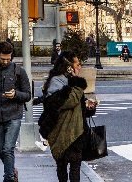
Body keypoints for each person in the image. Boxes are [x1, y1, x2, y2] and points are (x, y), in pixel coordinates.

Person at [41, 51, 95, 182]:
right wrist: (77, 83)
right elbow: (66, 102)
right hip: (61, 131)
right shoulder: (57, 81)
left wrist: (89, 107)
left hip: (76, 131)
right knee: (62, 166)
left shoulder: (72, 81)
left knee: (75, 166)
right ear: (69, 66)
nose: (80, 67)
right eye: (77, 64)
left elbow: (78, 107)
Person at [0, 41, 32, 182]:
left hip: (13, 116)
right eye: (2, 58)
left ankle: (9, 177)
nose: (5, 62)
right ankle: (12, 170)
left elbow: (28, 95)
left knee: (8, 149)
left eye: (8, 59)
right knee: (0, 149)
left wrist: (16, 94)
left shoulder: (18, 71)